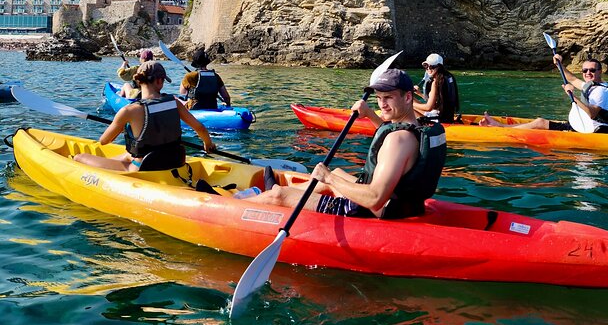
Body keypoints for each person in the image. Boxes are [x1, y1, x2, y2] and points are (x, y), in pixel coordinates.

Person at [244, 69, 447, 219]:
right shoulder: (419, 126)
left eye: (389, 98)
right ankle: (278, 191)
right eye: (378, 98)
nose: (382, 104)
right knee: (339, 173)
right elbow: (392, 140)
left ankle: (235, 202)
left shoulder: (398, 140)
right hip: (406, 206)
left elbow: (375, 197)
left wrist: (329, 177)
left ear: (408, 97)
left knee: (281, 195)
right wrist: (369, 114)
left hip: (367, 209)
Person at [74, 61, 216, 171]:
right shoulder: (174, 102)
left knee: (79, 157)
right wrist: (208, 144)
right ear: (160, 81)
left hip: (142, 167)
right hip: (175, 162)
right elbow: (201, 128)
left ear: (138, 81)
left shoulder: (129, 111)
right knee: (128, 155)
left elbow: (104, 141)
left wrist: (124, 127)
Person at [479, 55, 608, 132]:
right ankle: (501, 126)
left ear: (600, 71)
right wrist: (559, 64)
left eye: (592, 70)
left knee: (540, 122)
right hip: (586, 126)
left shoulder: (600, 92)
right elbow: (571, 78)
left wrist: (572, 95)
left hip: (593, 131)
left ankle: (500, 128)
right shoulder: (594, 86)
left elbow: (592, 114)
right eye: (585, 71)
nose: (588, 73)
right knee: (543, 122)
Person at [413, 53, 460, 123]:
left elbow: (428, 108)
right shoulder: (448, 77)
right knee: (411, 98)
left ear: (439, 67)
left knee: (406, 106)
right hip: (447, 116)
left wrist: (408, 104)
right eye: (426, 66)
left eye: (431, 67)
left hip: (438, 119)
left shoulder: (436, 83)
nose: (428, 69)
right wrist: (419, 93)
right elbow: (436, 102)